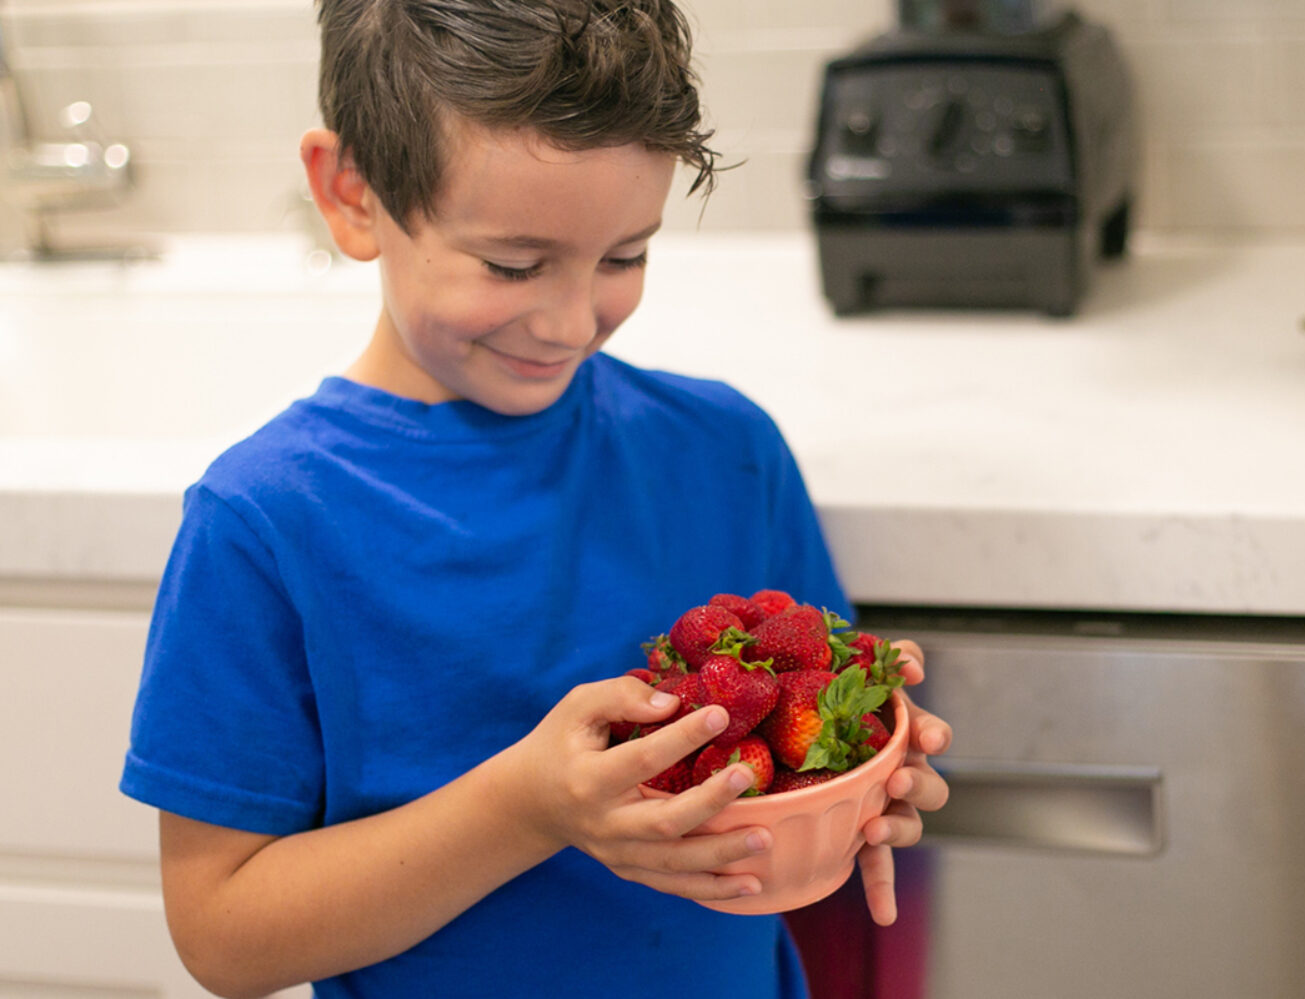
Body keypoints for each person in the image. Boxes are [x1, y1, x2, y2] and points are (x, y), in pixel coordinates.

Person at [118, 2, 952, 997]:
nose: (569, 320)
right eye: (512, 265)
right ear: (352, 196)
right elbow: (224, 937)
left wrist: (865, 784)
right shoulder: (266, 525)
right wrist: (526, 809)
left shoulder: (728, 450)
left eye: (624, 256)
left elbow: (820, 732)